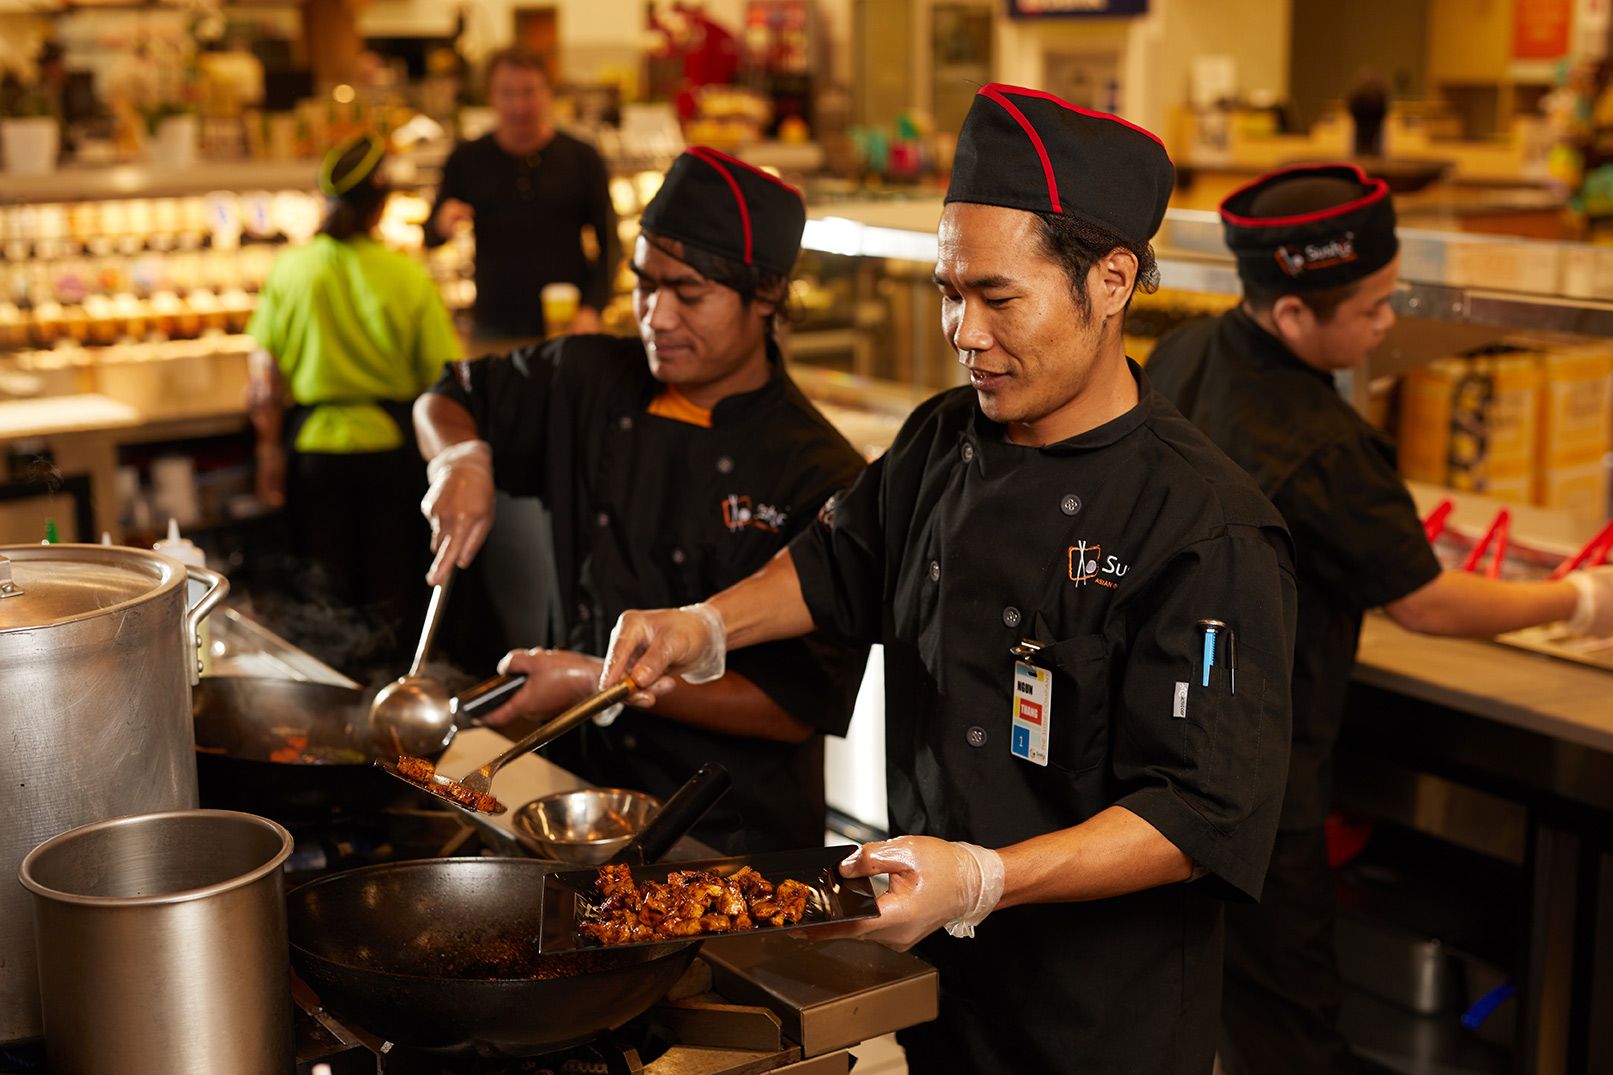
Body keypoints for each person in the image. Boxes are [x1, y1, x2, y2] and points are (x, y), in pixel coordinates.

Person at [598, 84, 1298, 1073]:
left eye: (995, 297)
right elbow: (835, 562)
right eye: (947, 292)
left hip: (1095, 1021)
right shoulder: (942, 438)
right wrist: (699, 625)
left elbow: (1198, 815)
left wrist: (982, 878)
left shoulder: (1203, 526)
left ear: (1108, 281)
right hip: (942, 990)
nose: (961, 332)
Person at [1143, 162, 1613, 1075]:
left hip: (1162, 739)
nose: (1389, 323)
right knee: (1289, 1028)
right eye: (1370, 307)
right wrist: (1581, 600)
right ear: (1291, 316)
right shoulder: (1323, 444)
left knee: (1197, 1005)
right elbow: (1425, 599)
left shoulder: (1191, 350)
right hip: (1257, 778)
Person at [414, 147, 868, 853]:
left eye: (688, 293)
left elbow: (791, 709)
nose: (655, 316)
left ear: (767, 295)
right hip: (570, 801)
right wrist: (459, 457)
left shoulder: (817, 469)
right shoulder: (589, 376)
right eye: (643, 285)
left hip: (729, 834)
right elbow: (449, 396)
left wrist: (592, 683)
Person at [247, 133, 461, 671]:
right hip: (391, 455)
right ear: (380, 203)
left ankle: (331, 726)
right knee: (393, 603)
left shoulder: (290, 269)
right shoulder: (406, 274)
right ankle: (396, 737)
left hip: (314, 454)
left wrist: (270, 454)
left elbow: (262, 381)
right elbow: (444, 378)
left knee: (322, 601)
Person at [426, 47, 614, 341]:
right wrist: (442, 222)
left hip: (567, 324)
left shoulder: (582, 157)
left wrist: (592, 308)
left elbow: (610, 244)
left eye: (529, 92)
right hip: (493, 325)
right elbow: (430, 236)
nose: (519, 106)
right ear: (491, 96)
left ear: (549, 93)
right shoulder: (466, 158)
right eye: (507, 93)